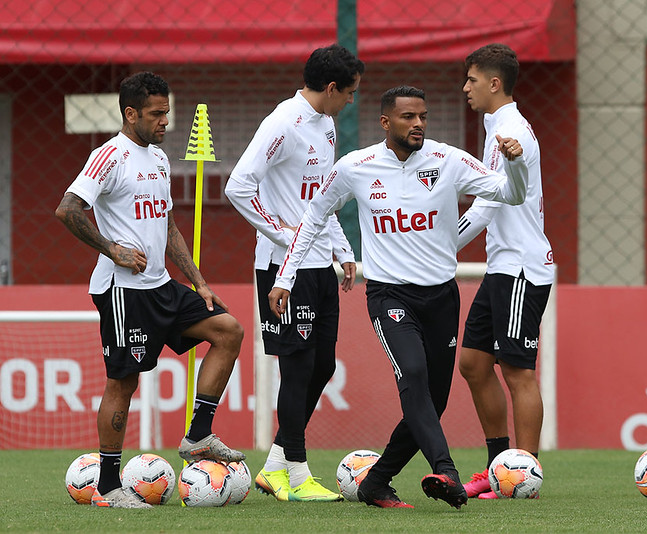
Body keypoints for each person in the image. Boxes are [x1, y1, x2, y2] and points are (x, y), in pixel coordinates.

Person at [268, 85, 530, 509]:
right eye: (408, 117)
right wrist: (285, 276)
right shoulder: (356, 166)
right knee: (413, 373)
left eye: (423, 116)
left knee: (434, 400)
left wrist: (515, 165)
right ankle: (447, 471)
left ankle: (376, 481)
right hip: (390, 296)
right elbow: (314, 215)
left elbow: (510, 193)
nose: (419, 124)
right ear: (386, 122)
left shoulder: (448, 160)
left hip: (442, 297)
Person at [55, 71, 246, 509]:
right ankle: (107, 486)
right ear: (130, 113)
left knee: (229, 331)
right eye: (157, 113)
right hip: (123, 291)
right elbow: (67, 210)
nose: (165, 121)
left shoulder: (159, 159)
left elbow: (169, 226)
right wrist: (112, 249)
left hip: (162, 286)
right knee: (123, 383)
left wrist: (198, 282)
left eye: (167, 112)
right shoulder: (109, 156)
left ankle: (198, 435)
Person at [224, 44, 363, 502]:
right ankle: (297, 475)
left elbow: (322, 198)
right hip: (285, 265)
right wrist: (282, 234)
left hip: (321, 262)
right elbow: (239, 186)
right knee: (298, 367)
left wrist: (342, 248)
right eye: (349, 93)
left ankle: (276, 465)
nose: (351, 103)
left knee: (322, 365)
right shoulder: (282, 122)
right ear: (330, 88)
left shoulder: (326, 125)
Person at [457, 44, 555, 499]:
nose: (466, 88)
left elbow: (488, 202)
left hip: (521, 267)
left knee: (518, 372)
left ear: (494, 84)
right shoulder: (497, 124)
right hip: (501, 266)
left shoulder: (511, 129)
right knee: (474, 364)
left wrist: (439, 246)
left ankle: (524, 477)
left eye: (472, 80)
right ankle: (499, 467)